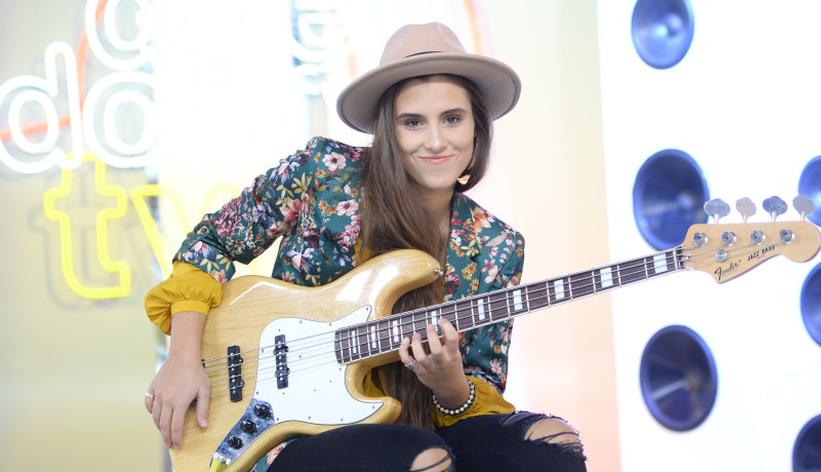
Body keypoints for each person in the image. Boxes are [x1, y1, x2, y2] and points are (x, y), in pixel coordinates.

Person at [144, 22, 587, 471]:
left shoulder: (497, 244)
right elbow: (209, 243)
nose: (436, 140)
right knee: (422, 458)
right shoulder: (324, 172)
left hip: (423, 426)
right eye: (413, 122)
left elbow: (478, 388)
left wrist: (449, 381)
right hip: (292, 432)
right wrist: (183, 359)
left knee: (553, 445)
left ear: (477, 128)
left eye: (452, 119)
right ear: (387, 131)